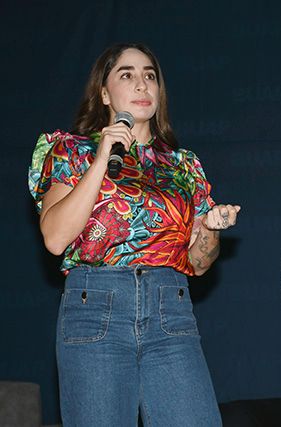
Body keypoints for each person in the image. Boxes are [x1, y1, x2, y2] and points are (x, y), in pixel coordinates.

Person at [27, 43, 239, 426]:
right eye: (127, 74)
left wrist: (209, 229)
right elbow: (55, 239)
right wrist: (102, 156)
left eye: (150, 76)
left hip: (170, 309)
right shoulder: (71, 151)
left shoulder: (183, 166)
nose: (142, 84)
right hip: (96, 309)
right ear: (104, 94)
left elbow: (199, 264)